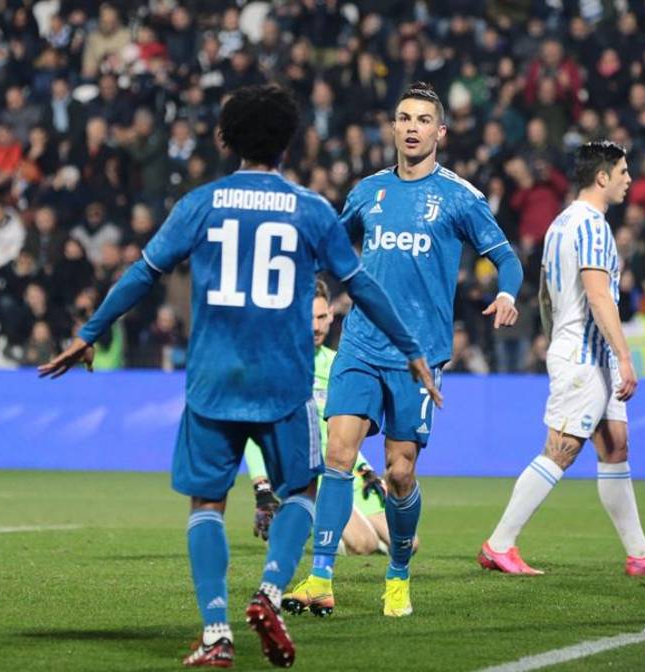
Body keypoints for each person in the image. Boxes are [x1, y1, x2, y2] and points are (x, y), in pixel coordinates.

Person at [39, 84, 440, 669]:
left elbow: (143, 272)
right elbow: (362, 286)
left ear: (224, 139)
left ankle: (215, 633)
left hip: (212, 378)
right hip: (283, 379)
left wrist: (89, 332)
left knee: (207, 501)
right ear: (289, 142)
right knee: (303, 488)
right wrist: (410, 347)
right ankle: (271, 591)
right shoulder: (310, 209)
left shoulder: (200, 203)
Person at [284, 82, 523, 619]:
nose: (411, 127)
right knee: (338, 454)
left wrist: (507, 292)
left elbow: (508, 258)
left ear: (440, 132)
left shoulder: (459, 196)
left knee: (398, 473)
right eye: (403, 118)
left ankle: (398, 575)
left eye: (422, 120)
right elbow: (331, 250)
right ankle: (321, 576)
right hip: (361, 343)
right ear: (392, 128)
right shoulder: (368, 192)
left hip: (419, 355)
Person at [478, 141, 645, 577]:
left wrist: (556, 336)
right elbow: (598, 296)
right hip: (585, 354)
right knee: (561, 450)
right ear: (602, 177)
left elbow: (544, 295)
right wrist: (625, 357)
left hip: (582, 349)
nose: (629, 179)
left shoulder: (560, 224)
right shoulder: (592, 226)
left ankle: (639, 553)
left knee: (616, 446)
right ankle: (499, 544)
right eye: (623, 171)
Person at [246, 279, 411, 557]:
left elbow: (340, 429)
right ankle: (294, 525)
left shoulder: (337, 364)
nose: (315, 326)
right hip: (300, 473)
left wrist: (365, 469)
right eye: (307, 318)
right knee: (364, 544)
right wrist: (262, 489)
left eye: (322, 317)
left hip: (341, 469)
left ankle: (315, 525)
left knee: (409, 542)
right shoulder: (274, 367)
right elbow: (254, 434)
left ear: (332, 314)